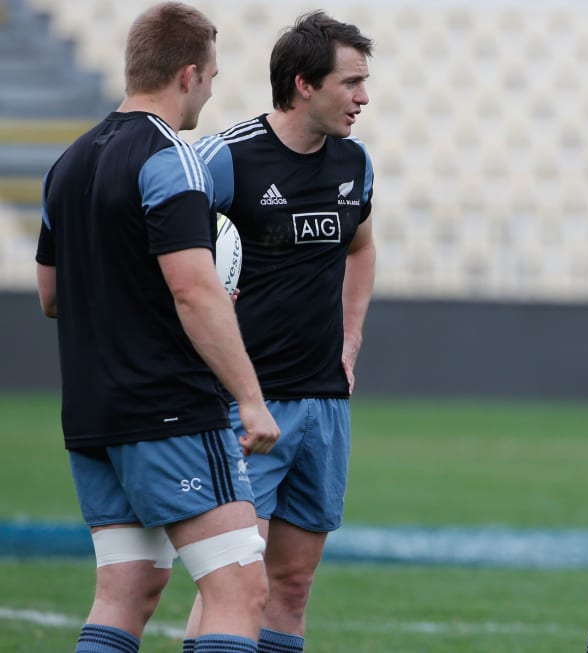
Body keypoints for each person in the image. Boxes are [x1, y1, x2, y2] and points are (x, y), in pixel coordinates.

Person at [34, 4, 281, 653]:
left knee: (127, 589)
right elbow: (194, 290)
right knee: (238, 589)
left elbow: (51, 296)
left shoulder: (69, 163)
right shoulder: (173, 157)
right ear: (190, 73)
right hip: (170, 411)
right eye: (212, 77)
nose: (210, 91)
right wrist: (251, 399)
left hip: (93, 415)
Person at [185, 11, 376, 653]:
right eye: (350, 83)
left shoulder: (356, 164)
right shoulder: (224, 158)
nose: (363, 98)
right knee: (234, 584)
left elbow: (361, 249)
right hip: (245, 405)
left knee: (292, 584)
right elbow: (161, 251)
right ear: (302, 84)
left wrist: (350, 343)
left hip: (324, 402)